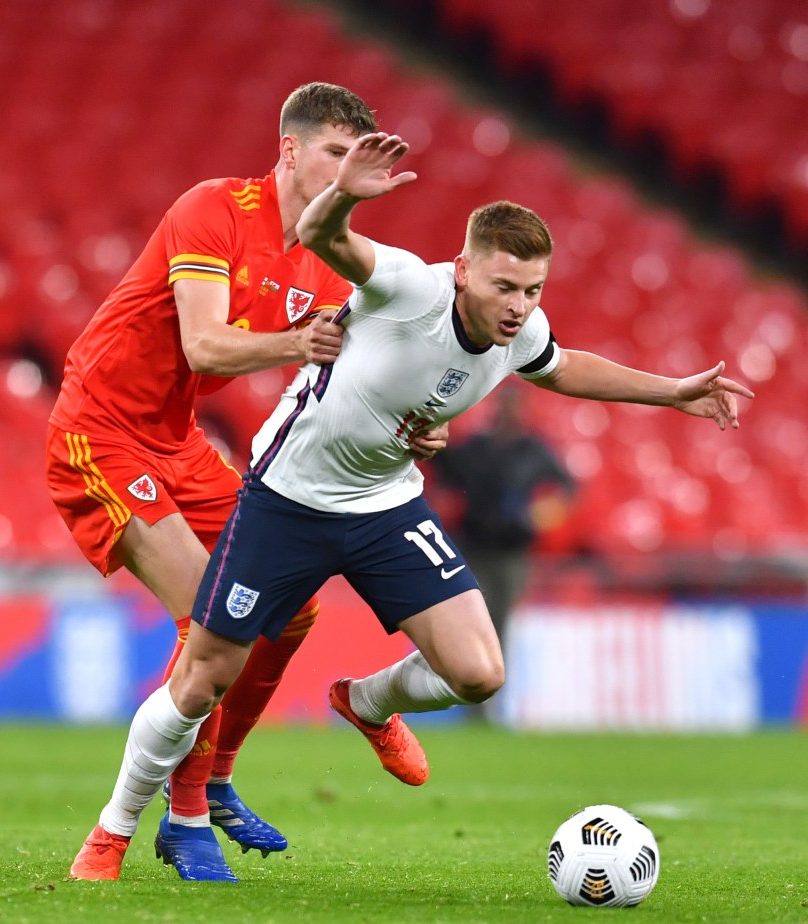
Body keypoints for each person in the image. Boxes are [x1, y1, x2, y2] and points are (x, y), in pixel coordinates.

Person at [74, 131, 754, 881]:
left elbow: (561, 368)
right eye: (503, 286)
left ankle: (364, 701)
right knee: (202, 677)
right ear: (462, 270)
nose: (517, 306)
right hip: (286, 500)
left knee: (478, 671)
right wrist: (346, 192)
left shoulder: (519, 327)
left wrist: (672, 391)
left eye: (532, 289)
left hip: (385, 506)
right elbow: (321, 236)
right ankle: (112, 831)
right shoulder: (404, 285)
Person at [49, 86, 442, 884]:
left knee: (289, 604)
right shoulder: (214, 209)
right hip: (99, 428)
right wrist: (301, 342)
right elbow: (202, 346)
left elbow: (359, 377)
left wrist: (412, 424)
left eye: (359, 154)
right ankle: (173, 815)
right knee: (210, 617)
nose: (347, 167)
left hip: (179, 441)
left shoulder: (334, 264)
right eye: (336, 151)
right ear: (291, 152)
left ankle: (215, 776)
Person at [430, 384, 576, 703]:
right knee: (476, 625)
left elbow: (565, 486)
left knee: (500, 624)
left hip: (512, 553)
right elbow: (445, 468)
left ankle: (490, 699)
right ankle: (475, 699)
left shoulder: (532, 449)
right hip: (474, 548)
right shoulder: (477, 448)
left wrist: (544, 513)